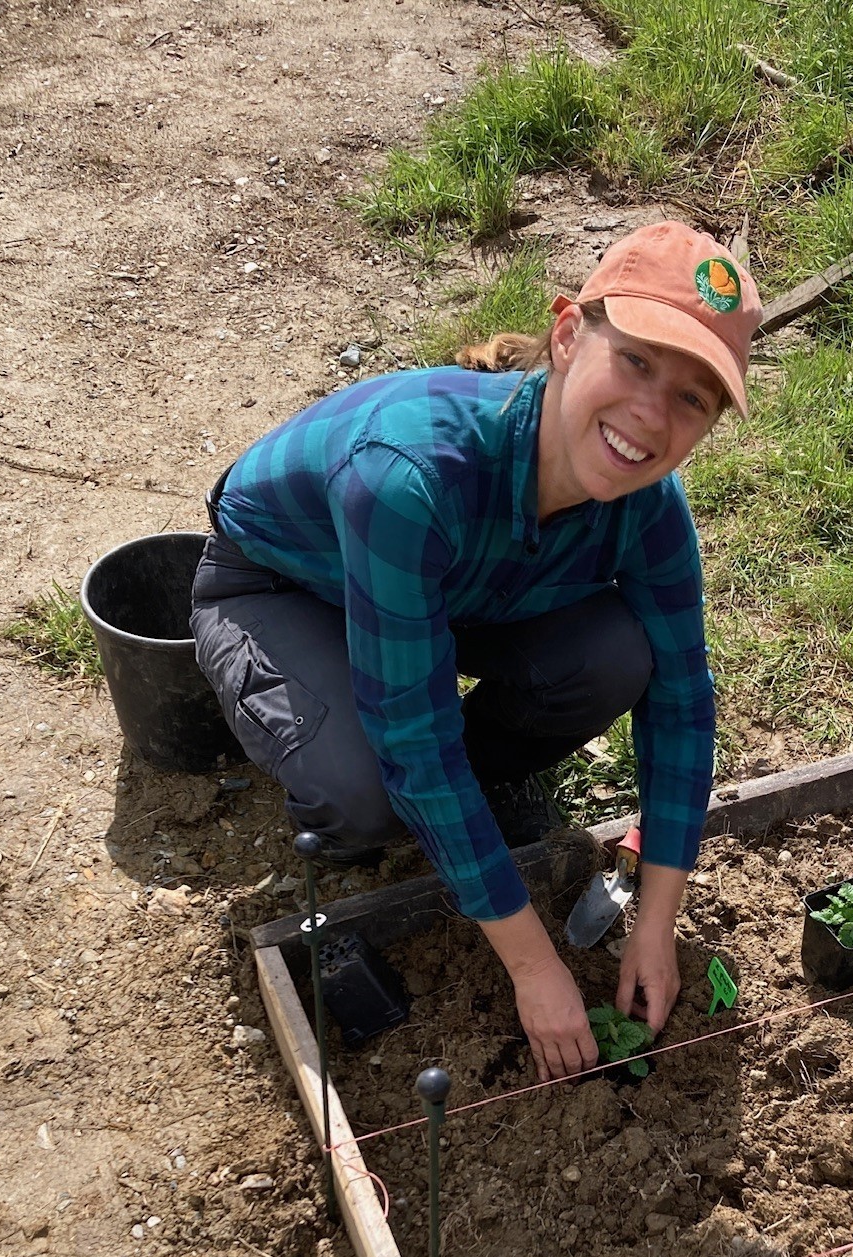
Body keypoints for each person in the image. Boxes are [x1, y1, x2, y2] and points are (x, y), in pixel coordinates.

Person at [191, 221, 762, 1081]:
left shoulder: (646, 505)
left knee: (617, 654)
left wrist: (656, 916)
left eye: (693, 399)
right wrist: (534, 965)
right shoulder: (408, 473)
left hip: (461, 588)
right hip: (285, 586)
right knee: (372, 789)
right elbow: (415, 740)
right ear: (569, 334)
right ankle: (345, 765)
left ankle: (469, 795)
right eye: (637, 361)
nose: (652, 414)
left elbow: (682, 698)